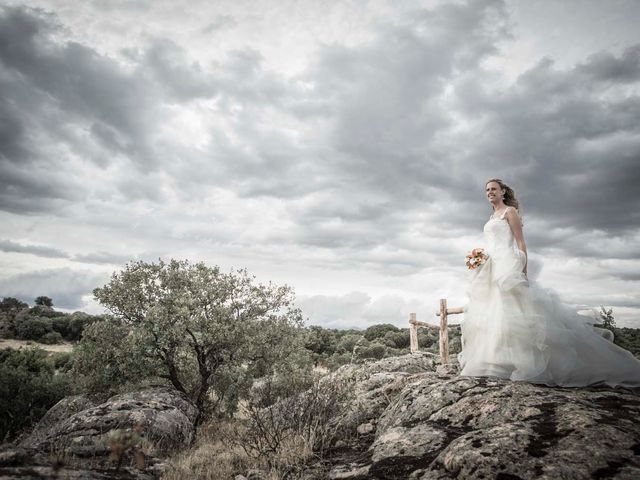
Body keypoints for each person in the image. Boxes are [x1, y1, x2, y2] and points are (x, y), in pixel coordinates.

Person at [457, 178, 640, 388]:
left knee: (516, 312)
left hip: (507, 265)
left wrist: (522, 270)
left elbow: (520, 242)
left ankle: (532, 363)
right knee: (494, 312)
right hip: (491, 266)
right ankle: (497, 361)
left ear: (503, 192)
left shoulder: (510, 212)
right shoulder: (491, 217)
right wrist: (480, 258)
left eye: (494, 189)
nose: (490, 192)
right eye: (487, 190)